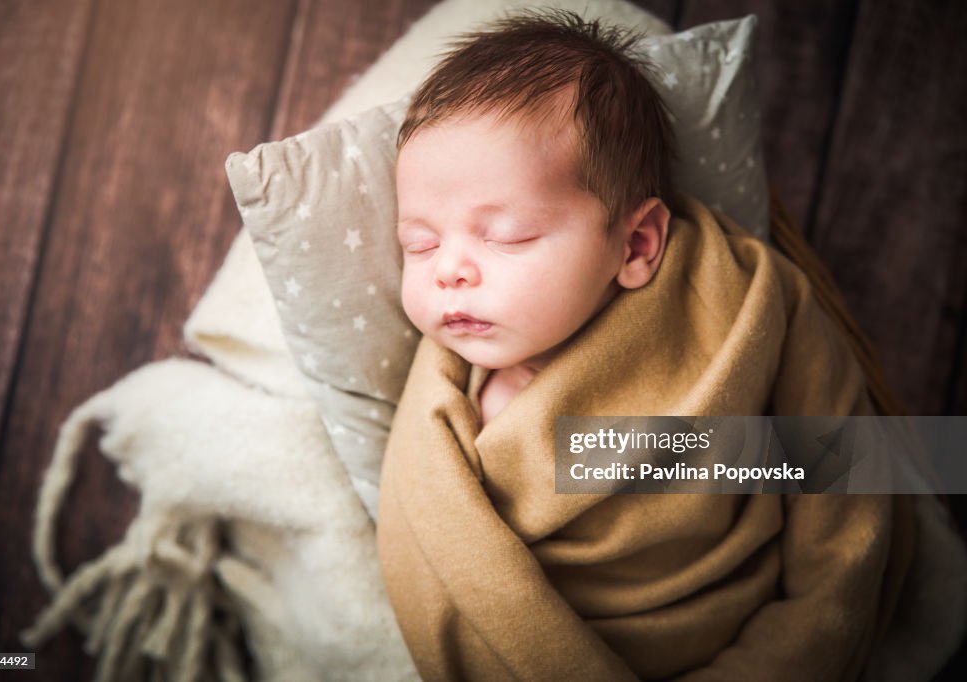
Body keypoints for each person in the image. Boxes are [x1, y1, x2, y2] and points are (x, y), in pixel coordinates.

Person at [377, 9, 916, 681]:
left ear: (635, 246)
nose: (447, 269)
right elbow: (434, 554)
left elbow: (842, 462)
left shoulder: (740, 299)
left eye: (508, 234)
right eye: (418, 243)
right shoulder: (444, 404)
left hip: (737, 609)